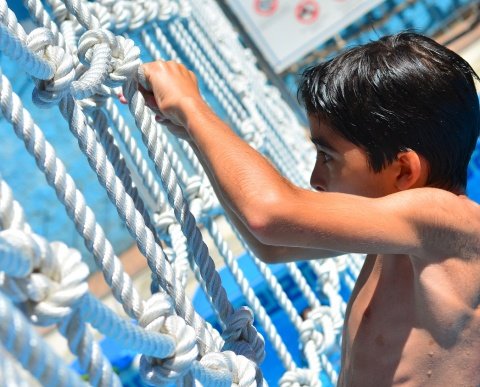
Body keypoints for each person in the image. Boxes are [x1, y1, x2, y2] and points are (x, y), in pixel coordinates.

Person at [138, 32, 480, 386]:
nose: (315, 178)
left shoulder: (446, 220)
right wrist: (195, 138)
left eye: (328, 157)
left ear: (403, 171)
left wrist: (194, 110)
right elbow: (274, 245)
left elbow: (268, 215)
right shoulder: (397, 232)